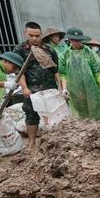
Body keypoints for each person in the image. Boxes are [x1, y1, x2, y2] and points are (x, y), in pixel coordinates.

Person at [14, 21, 60, 151]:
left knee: (53, 115)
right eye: (31, 35)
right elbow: (20, 71)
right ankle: (32, 142)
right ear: (26, 34)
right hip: (32, 89)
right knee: (31, 115)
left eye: (37, 35)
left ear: (41, 34)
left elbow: (56, 70)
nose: (34, 38)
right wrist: (24, 88)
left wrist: (61, 87)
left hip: (50, 87)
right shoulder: (20, 50)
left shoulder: (49, 50)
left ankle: (55, 141)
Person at [59, 27, 100, 120]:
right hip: (74, 89)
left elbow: (98, 73)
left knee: (95, 111)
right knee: (80, 112)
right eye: (73, 40)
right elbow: (63, 74)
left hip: (92, 88)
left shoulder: (90, 54)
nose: (76, 43)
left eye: (78, 40)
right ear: (69, 40)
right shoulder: (65, 55)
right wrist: (64, 89)